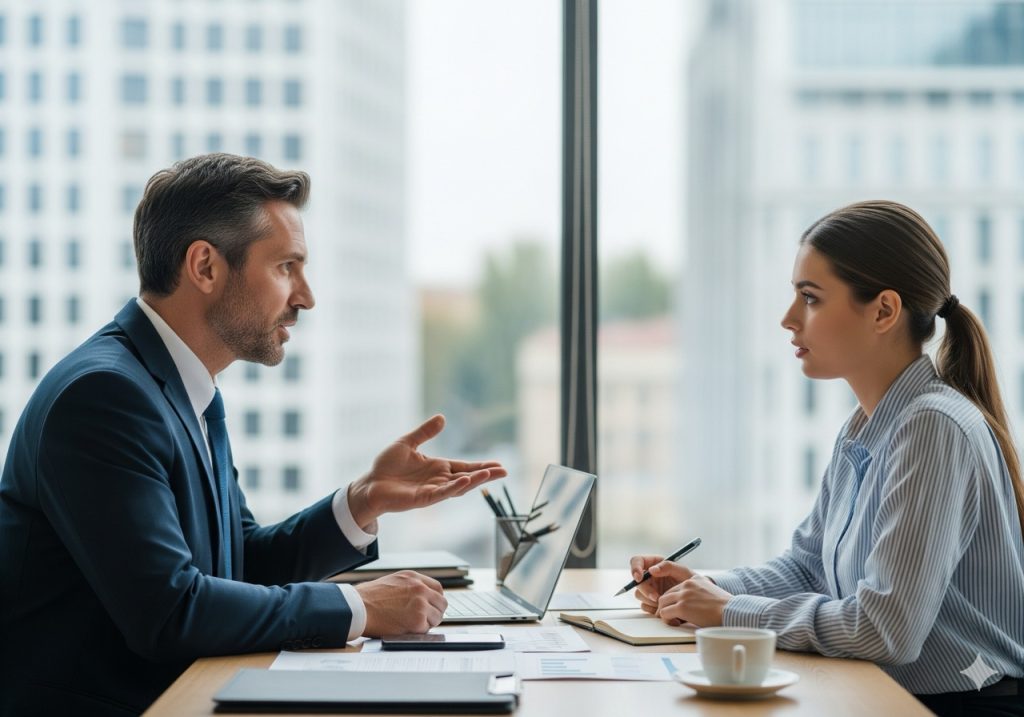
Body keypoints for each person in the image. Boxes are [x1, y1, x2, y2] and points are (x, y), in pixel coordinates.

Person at [0, 153, 507, 717]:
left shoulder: (183, 386)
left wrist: (362, 501)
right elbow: (171, 613)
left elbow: (238, 566)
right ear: (206, 267)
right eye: (286, 266)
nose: (306, 296)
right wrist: (356, 607)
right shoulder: (105, 397)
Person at [631, 201, 1024, 716]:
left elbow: (885, 631)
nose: (789, 319)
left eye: (810, 299)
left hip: (954, 707)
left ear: (884, 311)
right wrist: (705, 587)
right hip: (887, 697)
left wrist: (728, 611)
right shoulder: (865, 426)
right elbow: (810, 565)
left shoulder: (933, 429)